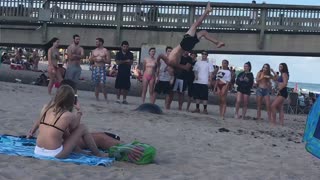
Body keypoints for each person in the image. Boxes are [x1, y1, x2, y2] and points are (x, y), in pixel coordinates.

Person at [34, 85, 108, 158]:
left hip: (37, 150)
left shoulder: (45, 108)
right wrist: (79, 111)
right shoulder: (67, 115)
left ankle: (79, 151)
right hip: (54, 153)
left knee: (62, 131)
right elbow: (75, 128)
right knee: (83, 127)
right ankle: (98, 154)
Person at [166, 2, 225, 67]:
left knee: (203, 32)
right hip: (184, 44)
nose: (169, 52)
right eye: (168, 52)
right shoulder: (170, 60)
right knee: (195, 24)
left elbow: (176, 62)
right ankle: (207, 11)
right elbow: (161, 56)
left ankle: (217, 42)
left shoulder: (172, 59)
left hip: (187, 47)